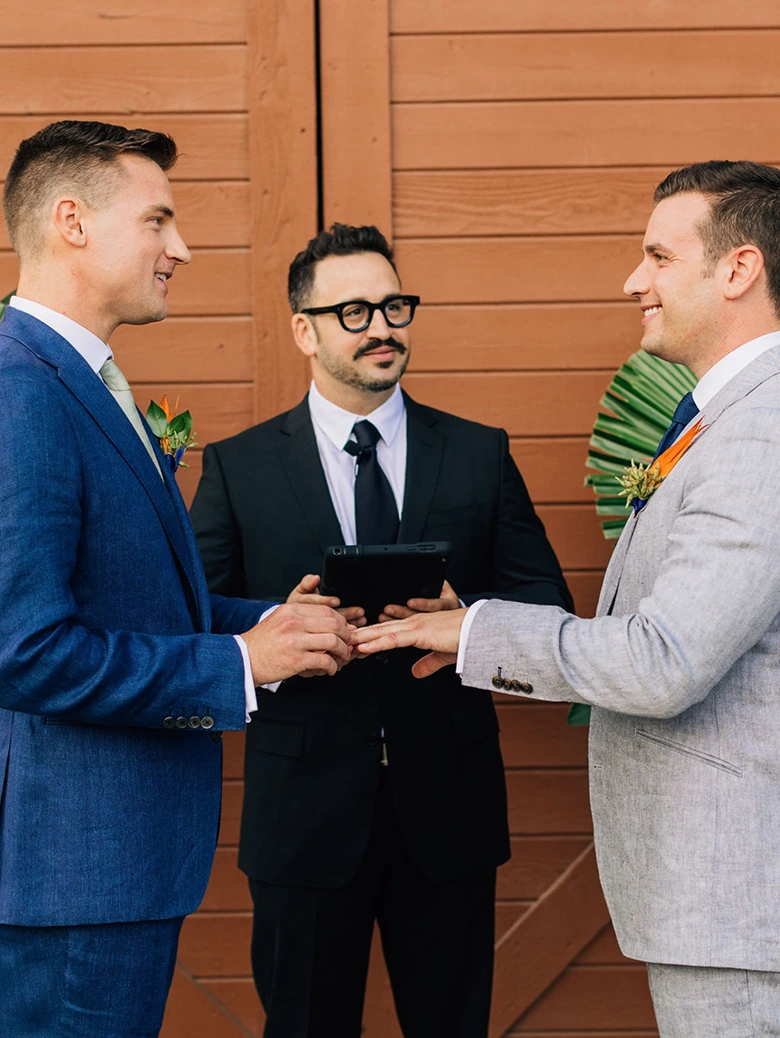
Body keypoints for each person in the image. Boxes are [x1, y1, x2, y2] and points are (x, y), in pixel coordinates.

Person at [351, 161, 780, 1037]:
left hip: (741, 905)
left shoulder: (762, 429)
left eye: (659, 256)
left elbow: (665, 662)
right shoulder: (722, 419)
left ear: (738, 270)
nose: (635, 281)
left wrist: (474, 631)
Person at [0, 120, 351, 1038]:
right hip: (69, 876)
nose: (181, 247)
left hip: (105, 872)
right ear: (71, 221)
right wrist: (236, 663)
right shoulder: (21, 390)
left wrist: (278, 622)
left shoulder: (80, 380)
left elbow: (131, 599)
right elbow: (23, 648)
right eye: (158, 220)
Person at [190, 223, 572, 1038]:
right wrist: (274, 630)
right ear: (306, 329)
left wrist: (463, 621)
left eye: (394, 305)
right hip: (303, 822)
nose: (382, 327)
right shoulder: (238, 466)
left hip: (451, 817)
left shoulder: (477, 452)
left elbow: (547, 601)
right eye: (355, 310)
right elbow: (189, 623)